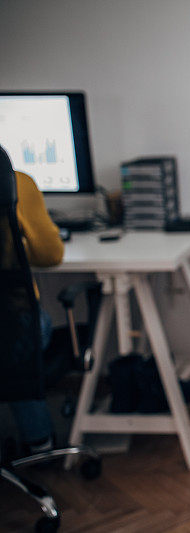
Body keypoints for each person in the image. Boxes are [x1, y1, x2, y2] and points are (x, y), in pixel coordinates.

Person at [10, 169, 64, 454]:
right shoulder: (14, 181)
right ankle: (39, 443)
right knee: (16, 342)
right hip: (13, 323)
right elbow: (50, 255)